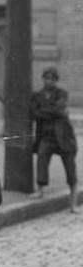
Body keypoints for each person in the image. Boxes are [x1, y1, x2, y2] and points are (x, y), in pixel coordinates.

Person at [30, 66, 78, 212]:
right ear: (43, 79)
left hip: (63, 136)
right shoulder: (37, 96)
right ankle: (40, 190)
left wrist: (46, 111)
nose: (49, 81)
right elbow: (35, 113)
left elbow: (59, 109)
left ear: (56, 80)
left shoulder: (61, 93)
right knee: (42, 159)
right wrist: (54, 112)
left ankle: (73, 204)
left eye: (52, 79)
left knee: (70, 168)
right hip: (47, 136)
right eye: (46, 78)